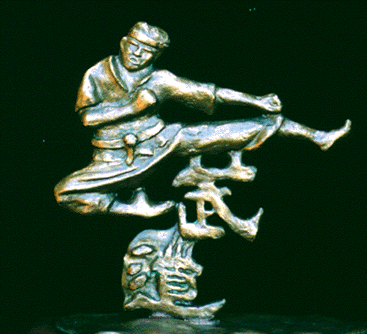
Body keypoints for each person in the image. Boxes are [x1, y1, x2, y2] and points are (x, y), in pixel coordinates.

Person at [55, 22, 350, 218]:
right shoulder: (98, 73)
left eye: (147, 51)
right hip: (114, 159)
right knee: (65, 193)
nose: (137, 54)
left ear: (156, 56)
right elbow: (87, 118)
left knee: (238, 129)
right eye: (133, 45)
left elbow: (209, 94)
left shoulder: (161, 79)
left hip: (163, 140)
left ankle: (317, 136)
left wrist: (256, 101)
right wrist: (132, 107)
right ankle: (134, 208)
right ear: (123, 42)